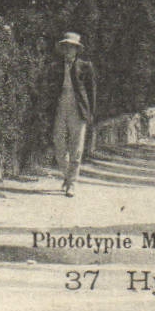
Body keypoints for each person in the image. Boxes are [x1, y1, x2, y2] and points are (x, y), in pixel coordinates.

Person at [50, 32, 96, 196]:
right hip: (61, 106)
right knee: (58, 144)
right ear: (63, 49)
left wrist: (90, 114)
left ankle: (72, 184)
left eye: (72, 47)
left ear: (77, 50)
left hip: (78, 109)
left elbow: (91, 92)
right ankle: (67, 176)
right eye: (66, 47)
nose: (69, 50)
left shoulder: (85, 66)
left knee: (76, 148)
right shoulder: (56, 67)